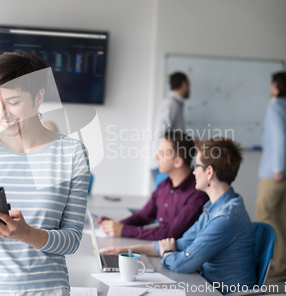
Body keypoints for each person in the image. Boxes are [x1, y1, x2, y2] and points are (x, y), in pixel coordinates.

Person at [0, 51, 90, 296]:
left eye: (13, 102)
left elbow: (72, 240)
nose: (2, 113)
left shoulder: (72, 153)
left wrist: (26, 234)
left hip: (45, 289)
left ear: (38, 97)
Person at [101, 138, 256, 294]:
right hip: (206, 285)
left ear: (209, 172)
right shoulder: (214, 207)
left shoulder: (225, 217)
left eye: (196, 166)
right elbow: (180, 244)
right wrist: (126, 250)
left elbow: (184, 263)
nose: (193, 171)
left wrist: (167, 253)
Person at [97, 130, 208, 240]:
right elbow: (143, 216)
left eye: (161, 153)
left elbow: (170, 233)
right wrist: (115, 225)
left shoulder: (197, 193)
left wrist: (123, 230)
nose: (156, 156)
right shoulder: (164, 184)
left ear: (178, 162)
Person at [255, 71, 286, 280]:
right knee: (280, 215)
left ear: (276, 86)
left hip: (276, 171)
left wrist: (278, 167)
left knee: (263, 213)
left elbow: (280, 139)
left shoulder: (275, 107)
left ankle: (283, 264)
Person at [151, 72, 189, 181]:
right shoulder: (171, 104)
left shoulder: (175, 104)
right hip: (164, 165)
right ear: (184, 84)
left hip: (167, 163)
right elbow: (160, 134)